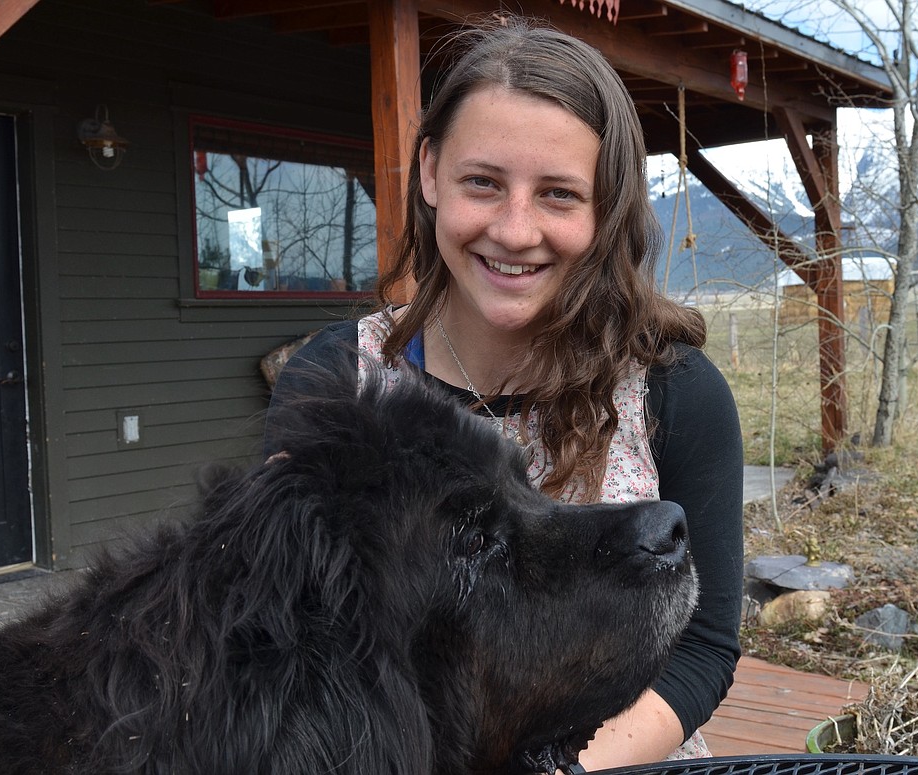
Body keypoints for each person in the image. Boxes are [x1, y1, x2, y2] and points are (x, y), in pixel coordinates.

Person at [265, 17, 743, 770]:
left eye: (558, 194)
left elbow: (706, 645)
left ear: (605, 206)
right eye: (482, 182)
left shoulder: (673, 391)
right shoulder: (339, 382)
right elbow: (298, 642)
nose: (515, 230)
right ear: (429, 173)